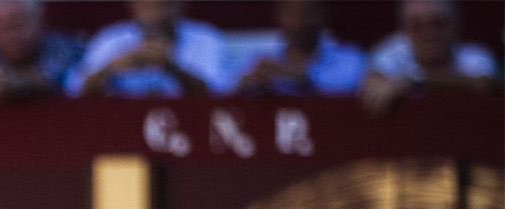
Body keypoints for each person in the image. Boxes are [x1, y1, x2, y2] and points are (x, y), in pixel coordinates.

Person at [360, 0, 499, 115]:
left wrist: (414, 79)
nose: (429, 33)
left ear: (455, 26)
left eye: (439, 23)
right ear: (404, 31)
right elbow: (373, 83)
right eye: (418, 25)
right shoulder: (389, 53)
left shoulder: (475, 55)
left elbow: (483, 85)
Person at [68, 0, 228, 97]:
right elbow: (74, 90)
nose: (156, 12)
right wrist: (110, 69)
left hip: (189, 128)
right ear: (133, 4)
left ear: (181, 3)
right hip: (118, 128)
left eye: (164, 5)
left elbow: (220, 93)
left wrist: (171, 68)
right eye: (148, 5)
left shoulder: (205, 38)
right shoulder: (110, 39)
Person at [0, 0, 83, 103]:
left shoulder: (66, 48)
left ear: (41, 19)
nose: (11, 36)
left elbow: (58, 75)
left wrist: (21, 83)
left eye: (18, 25)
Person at [232, 0, 364, 95]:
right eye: (293, 12)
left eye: (310, 11)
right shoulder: (257, 57)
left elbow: (350, 89)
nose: (301, 21)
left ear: (324, 13)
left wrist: (301, 78)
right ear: (279, 13)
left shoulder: (350, 58)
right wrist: (245, 87)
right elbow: (224, 93)